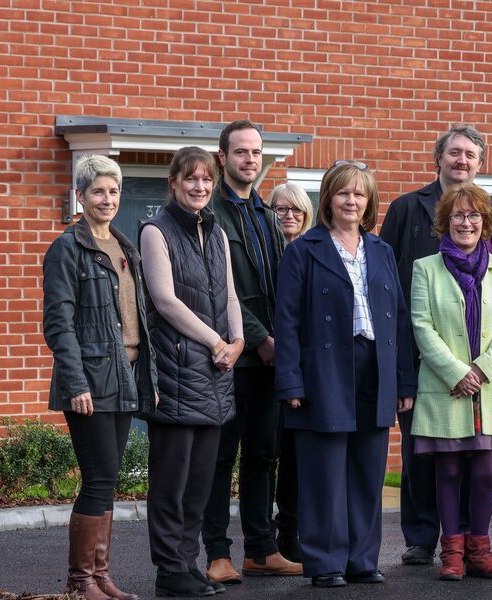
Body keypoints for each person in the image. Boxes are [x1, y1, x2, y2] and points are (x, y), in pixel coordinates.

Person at [273, 161, 416, 588]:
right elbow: (287, 321)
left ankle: (362, 559)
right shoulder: (305, 250)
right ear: (328, 200)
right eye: (343, 193)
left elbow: (400, 321)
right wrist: (291, 381)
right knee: (324, 470)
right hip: (324, 369)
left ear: (369, 201)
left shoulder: (382, 251)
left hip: (375, 365)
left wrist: (403, 381)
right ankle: (326, 561)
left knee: (367, 470)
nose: (352, 201)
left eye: (359, 194)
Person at [380, 124, 492, 566]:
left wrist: (480, 368)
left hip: (481, 364)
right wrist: (408, 365)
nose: (461, 161)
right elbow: (391, 289)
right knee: (427, 457)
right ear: (439, 157)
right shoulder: (404, 209)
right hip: (421, 358)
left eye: (469, 155)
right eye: (454, 153)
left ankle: (467, 543)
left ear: (480, 164)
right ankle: (422, 538)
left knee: (476, 458)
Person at [43, 155, 157, 600]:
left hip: (124, 374)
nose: (107, 200)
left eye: (113, 192)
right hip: (89, 379)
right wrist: (75, 383)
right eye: (98, 192)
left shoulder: (125, 247)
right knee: (99, 476)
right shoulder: (67, 249)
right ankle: (80, 579)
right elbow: (58, 323)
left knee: (109, 479)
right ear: (80, 196)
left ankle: (100, 574)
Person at [140, 146, 244, 597]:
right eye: (190, 180)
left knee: (200, 482)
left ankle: (187, 562)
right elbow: (165, 301)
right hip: (177, 369)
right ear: (174, 183)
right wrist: (215, 341)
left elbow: (231, 298)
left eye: (205, 180)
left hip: (218, 372)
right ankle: (169, 570)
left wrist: (237, 343)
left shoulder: (217, 232)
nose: (199, 187)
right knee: (171, 482)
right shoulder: (155, 231)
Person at [204, 120, 300, 585]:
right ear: (223, 157)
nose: (250, 159)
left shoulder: (265, 215)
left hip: (270, 357)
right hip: (232, 356)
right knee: (222, 456)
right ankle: (217, 553)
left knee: (264, 453)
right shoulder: (213, 214)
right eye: (240, 152)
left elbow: (280, 286)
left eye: (256, 152)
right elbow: (225, 289)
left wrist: (281, 342)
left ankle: (262, 549)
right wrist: (262, 339)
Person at [409, 183, 492, 581]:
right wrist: (458, 372)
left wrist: (482, 370)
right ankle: (452, 554)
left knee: (488, 472)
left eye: (475, 215)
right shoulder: (425, 268)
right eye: (458, 215)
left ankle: (480, 551)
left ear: (486, 223)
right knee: (450, 472)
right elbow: (422, 326)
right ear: (445, 222)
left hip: (490, 387)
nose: (466, 222)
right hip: (446, 386)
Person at [266, 181, 314, 562]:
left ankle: (290, 530)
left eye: (296, 209)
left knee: (296, 456)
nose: (289, 215)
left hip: (299, 364)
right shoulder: (264, 251)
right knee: (266, 451)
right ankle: (263, 533)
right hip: (262, 361)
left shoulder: (311, 253)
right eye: (280, 209)